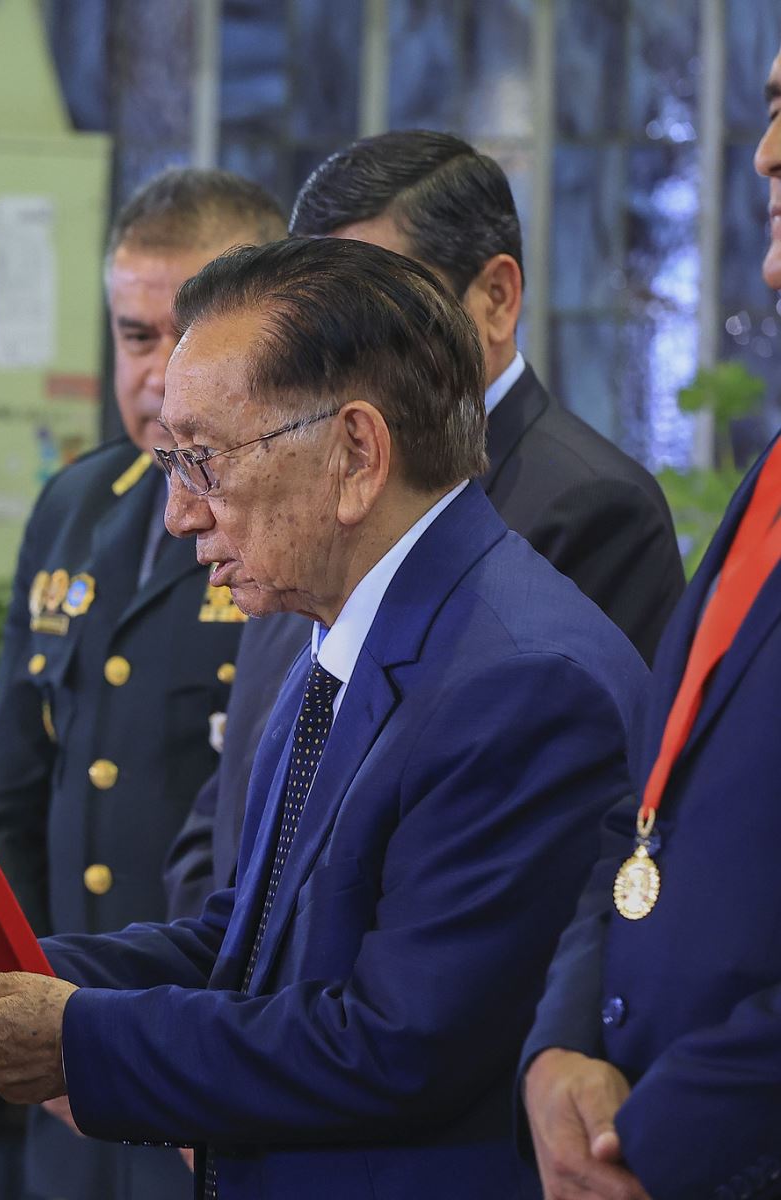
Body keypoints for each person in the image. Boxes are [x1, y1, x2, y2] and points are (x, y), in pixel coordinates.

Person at [0, 236, 650, 1199]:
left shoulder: (522, 682)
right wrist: (1, 980)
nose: (178, 515)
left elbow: (392, 1047)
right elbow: (249, 942)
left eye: (202, 461)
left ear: (356, 454)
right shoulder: (343, 633)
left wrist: (72, 1038)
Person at [164, 131, 685, 926]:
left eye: (375, 295)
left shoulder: (583, 508)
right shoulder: (287, 511)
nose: (328, 338)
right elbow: (246, 782)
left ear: (497, 299)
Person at [0, 167, 286, 1200]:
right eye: (133, 336)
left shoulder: (287, 528)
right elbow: (11, 796)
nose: (153, 376)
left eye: (181, 337)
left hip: (208, 1067)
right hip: (66, 1081)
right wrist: (19, 1008)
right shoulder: (77, 506)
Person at [520, 45, 781, 1200]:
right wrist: (566, 1047)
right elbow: (651, 810)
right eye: (769, 111)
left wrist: (662, 1140)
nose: (767, 152)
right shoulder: (770, 472)